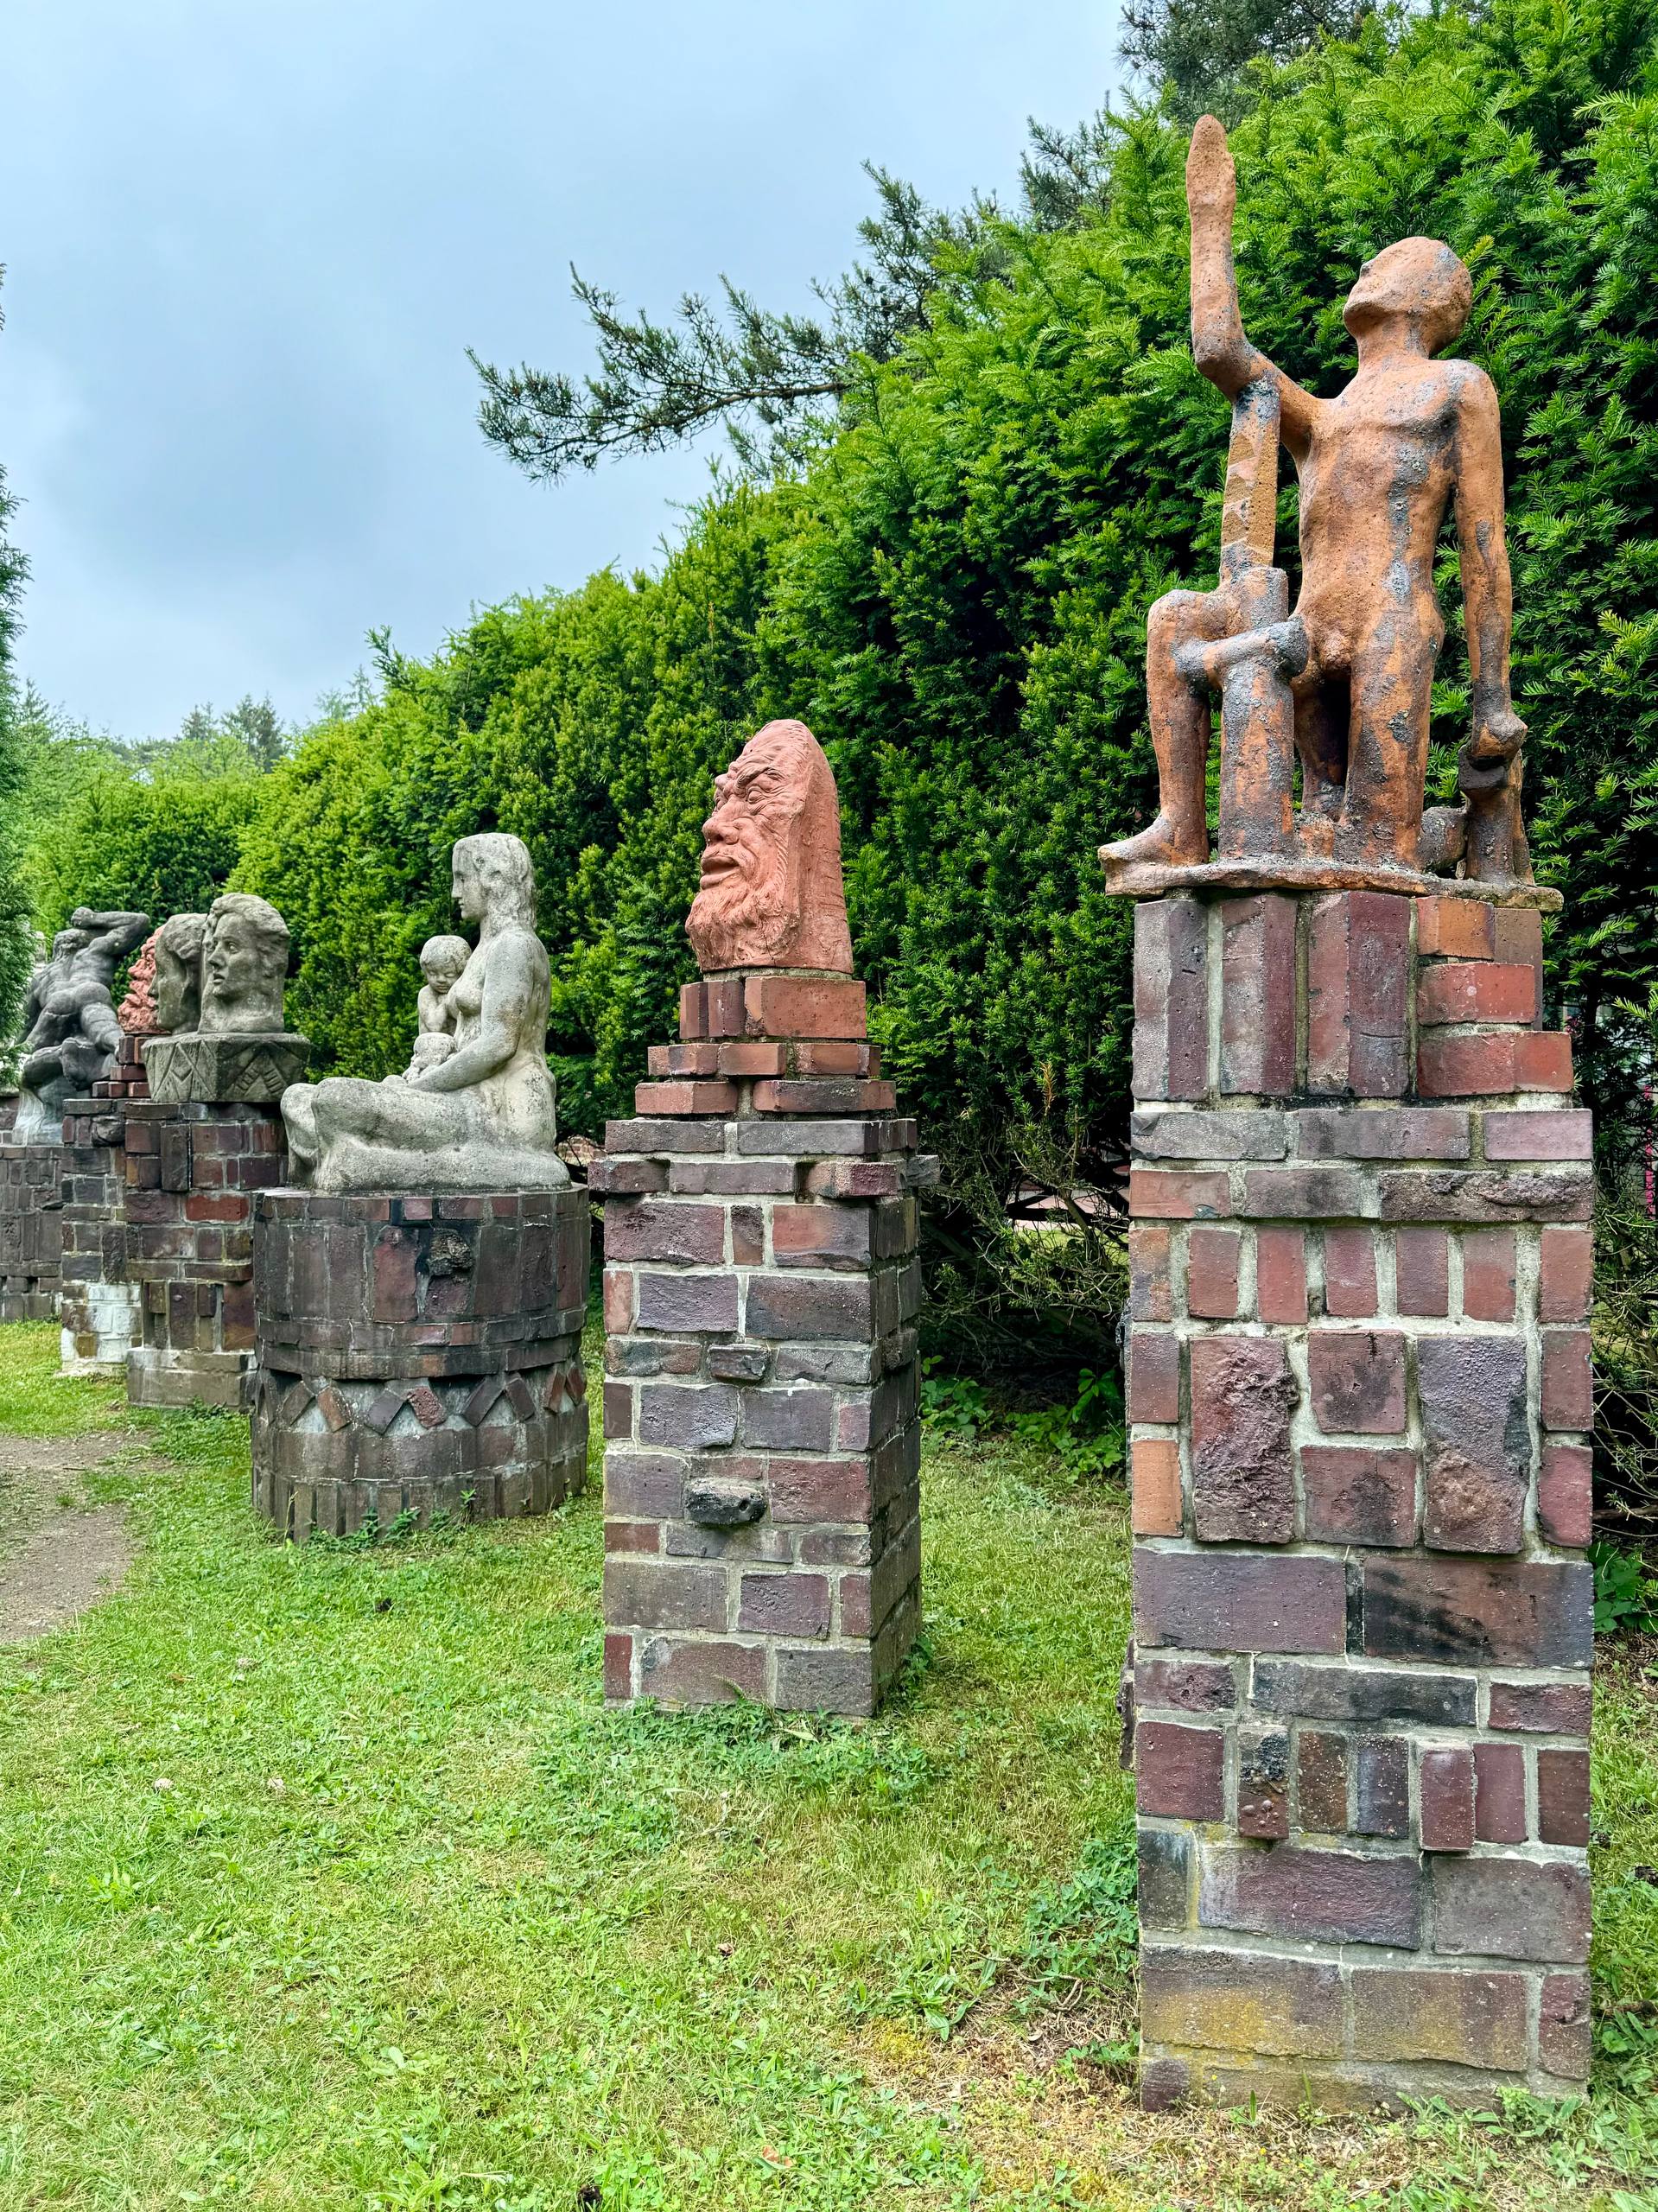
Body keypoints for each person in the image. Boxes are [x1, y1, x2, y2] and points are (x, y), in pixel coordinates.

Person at [1101, 115, 1528, 882]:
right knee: (1174, 618)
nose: (1364, 265)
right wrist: (1209, 222)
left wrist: (1491, 700)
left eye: (1387, 262)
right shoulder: (1321, 416)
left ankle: (1455, 831)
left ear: (1432, 295)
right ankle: (1178, 827)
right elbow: (1220, 353)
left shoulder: (1456, 388)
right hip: (1308, 626)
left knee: (1377, 848)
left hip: (1390, 626)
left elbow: (1483, 550)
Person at [281, 834, 566, 1193]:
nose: (455, 892)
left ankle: (363, 1160)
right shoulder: (484, 948)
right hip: (460, 1097)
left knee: (334, 1098)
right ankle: (357, 1158)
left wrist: (418, 1090)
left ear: (493, 879)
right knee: (297, 1097)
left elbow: (498, 1045)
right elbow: (452, 1034)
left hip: (498, 1109)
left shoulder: (514, 946)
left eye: (462, 879)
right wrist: (422, 1069)